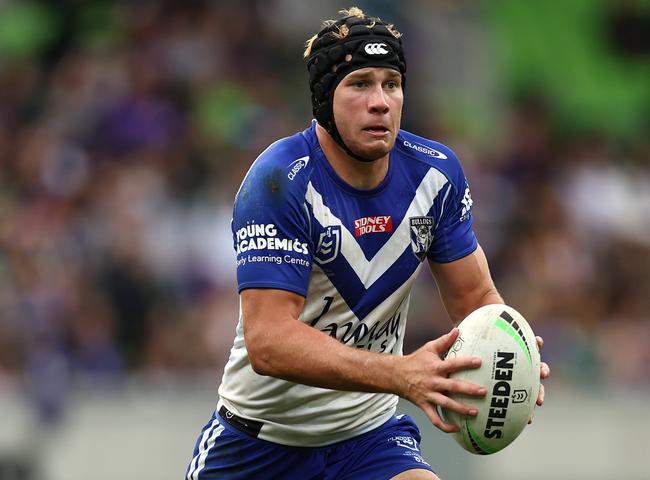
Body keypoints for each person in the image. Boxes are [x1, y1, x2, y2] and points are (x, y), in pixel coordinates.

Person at [186, 7, 549, 480]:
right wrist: (399, 373)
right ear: (323, 98)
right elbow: (268, 341)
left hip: (368, 439)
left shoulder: (435, 176)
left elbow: (476, 299)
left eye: (391, 83)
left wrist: (507, 356)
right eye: (359, 83)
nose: (380, 101)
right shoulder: (280, 182)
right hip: (259, 446)